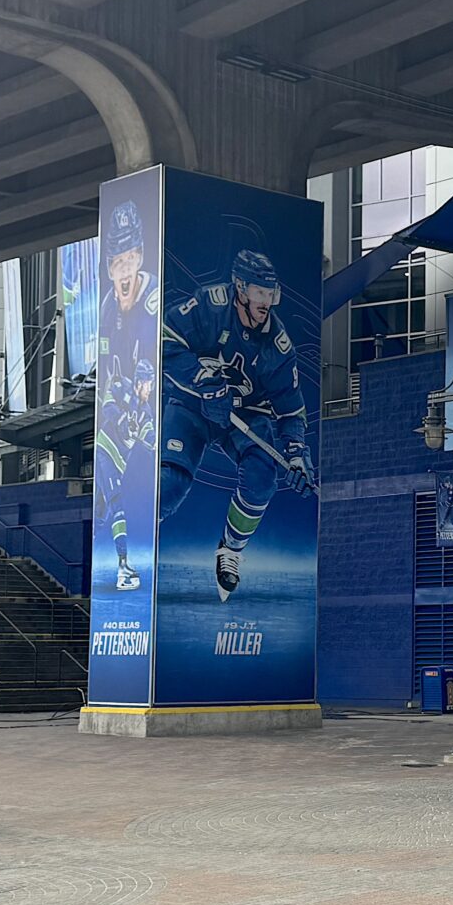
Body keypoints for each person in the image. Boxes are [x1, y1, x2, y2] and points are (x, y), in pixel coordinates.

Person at [162, 248, 312, 602]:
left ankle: (230, 549)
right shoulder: (210, 306)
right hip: (194, 404)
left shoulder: (278, 345)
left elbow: (292, 411)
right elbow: (165, 340)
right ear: (240, 289)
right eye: (260, 293)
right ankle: (136, 543)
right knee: (170, 484)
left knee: (263, 479)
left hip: (244, 413)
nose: (266, 302)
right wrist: (201, 379)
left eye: (270, 294)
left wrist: (295, 453)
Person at [93, 197, 161, 592]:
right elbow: (107, 372)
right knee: (107, 470)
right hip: (120, 406)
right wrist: (118, 409)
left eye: (128, 259)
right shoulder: (106, 308)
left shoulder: (155, 298)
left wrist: (148, 380)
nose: (122, 270)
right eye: (114, 262)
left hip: (155, 402)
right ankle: (123, 563)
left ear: (138, 256)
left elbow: (157, 353)